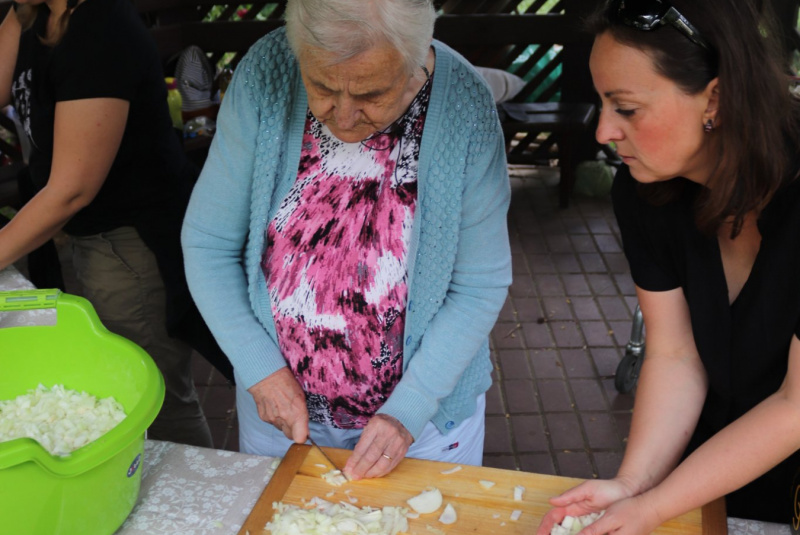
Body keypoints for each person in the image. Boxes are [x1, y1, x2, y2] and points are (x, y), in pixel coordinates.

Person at [182, 0, 512, 480]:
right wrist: (260, 369)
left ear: (415, 58)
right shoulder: (266, 73)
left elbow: (479, 285)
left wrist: (409, 408)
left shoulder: (464, 105)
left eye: (372, 94)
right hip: (279, 412)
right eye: (321, 86)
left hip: (425, 425)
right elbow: (208, 244)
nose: (343, 116)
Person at [536, 0, 800, 531]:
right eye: (601, 103)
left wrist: (653, 506)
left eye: (626, 108)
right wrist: (632, 485)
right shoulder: (647, 193)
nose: (603, 131)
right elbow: (676, 355)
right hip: (718, 475)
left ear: (717, 99)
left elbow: (796, 405)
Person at [0, 0, 231, 447]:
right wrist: (14, 13)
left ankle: (189, 511)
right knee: (119, 390)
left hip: (130, 245)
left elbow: (72, 189)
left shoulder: (100, 27)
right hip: (91, 237)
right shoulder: (37, 18)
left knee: (154, 402)